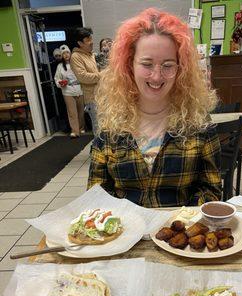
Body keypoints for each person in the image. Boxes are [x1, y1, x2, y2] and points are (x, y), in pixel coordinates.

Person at [87, 8, 221, 207]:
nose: (157, 76)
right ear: (129, 65)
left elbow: (211, 190)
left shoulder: (199, 124)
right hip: (126, 235)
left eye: (168, 65)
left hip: (179, 234)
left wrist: (181, 220)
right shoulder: (110, 127)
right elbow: (96, 194)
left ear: (180, 68)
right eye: (147, 64)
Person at [70, 27, 101, 136]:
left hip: (102, 95)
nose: (91, 42)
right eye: (88, 40)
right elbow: (82, 77)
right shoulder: (75, 56)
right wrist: (102, 75)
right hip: (92, 98)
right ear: (80, 43)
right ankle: (100, 152)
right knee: (98, 127)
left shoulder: (91, 54)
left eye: (91, 38)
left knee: (106, 126)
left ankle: (107, 151)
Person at [54, 45, 85, 138]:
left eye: (67, 52)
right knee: (72, 112)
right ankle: (75, 131)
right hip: (67, 91)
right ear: (62, 56)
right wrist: (61, 83)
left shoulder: (77, 63)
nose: (66, 55)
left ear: (70, 53)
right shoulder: (60, 66)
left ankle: (81, 127)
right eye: (63, 54)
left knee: (81, 111)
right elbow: (57, 78)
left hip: (79, 89)